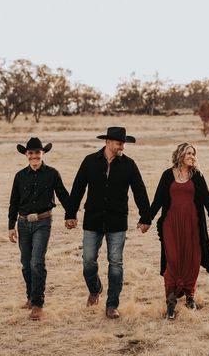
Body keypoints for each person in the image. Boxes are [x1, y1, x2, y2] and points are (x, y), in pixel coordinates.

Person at [65, 126, 151, 319]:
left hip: (117, 221)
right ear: (108, 142)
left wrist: (145, 217)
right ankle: (95, 289)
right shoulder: (89, 161)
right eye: (119, 142)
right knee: (88, 260)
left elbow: (139, 190)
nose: (122, 146)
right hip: (93, 219)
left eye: (123, 143)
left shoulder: (129, 165)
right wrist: (70, 213)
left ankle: (112, 304)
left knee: (116, 263)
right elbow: (78, 188)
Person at [150, 142, 209, 320]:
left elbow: (207, 201)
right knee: (172, 259)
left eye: (193, 153)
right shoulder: (167, 175)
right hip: (171, 223)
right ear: (180, 155)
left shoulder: (197, 176)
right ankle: (171, 298)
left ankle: (189, 296)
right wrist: (145, 219)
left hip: (192, 224)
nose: (191, 156)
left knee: (192, 259)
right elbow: (157, 200)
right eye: (188, 153)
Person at [8, 137, 71, 321]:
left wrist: (71, 215)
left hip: (43, 222)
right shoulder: (19, 176)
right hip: (23, 223)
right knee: (26, 264)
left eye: (37, 152)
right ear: (26, 155)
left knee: (37, 263)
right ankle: (30, 296)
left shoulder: (52, 174)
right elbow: (13, 202)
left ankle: (37, 304)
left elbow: (63, 195)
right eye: (31, 153)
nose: (34, 156)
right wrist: (11, 227)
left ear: (43, 154)